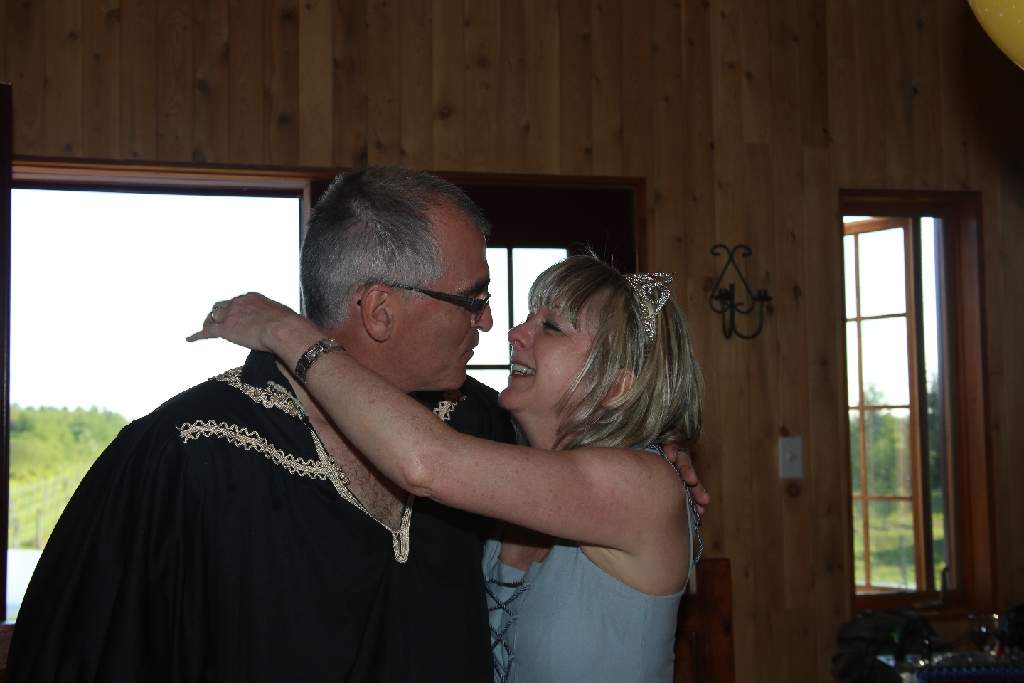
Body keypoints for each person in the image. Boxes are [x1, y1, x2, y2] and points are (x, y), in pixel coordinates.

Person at [7, 165, 707, 683]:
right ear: (379, 311)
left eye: (544, 323)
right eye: (473, 298)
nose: (494, 324)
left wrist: (653, 454)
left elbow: (445, 462)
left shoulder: (473, 426)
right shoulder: (190, 455)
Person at [191, 253, 705, 682]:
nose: (515, 333)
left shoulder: (646, 486)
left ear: (615, 385)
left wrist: (284, 330)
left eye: (550, 327)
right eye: (529, 317)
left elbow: (426, 461)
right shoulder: (502, 456)